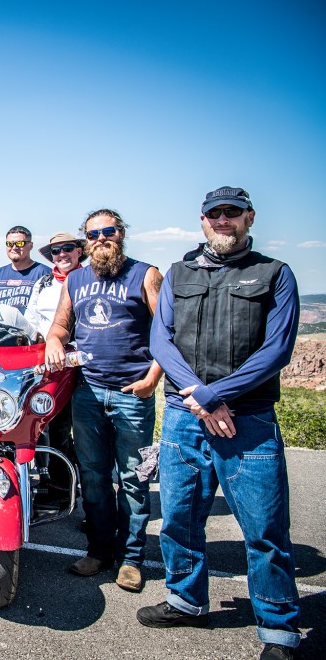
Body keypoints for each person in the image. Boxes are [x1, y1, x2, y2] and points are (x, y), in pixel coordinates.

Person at [137, 187, 302, 660]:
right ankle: (185, 601)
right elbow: (161, 343)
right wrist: (200, 396)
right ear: (203, 220)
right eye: (215, 214)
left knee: (265, 530)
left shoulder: (273, 274)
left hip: (246, 421)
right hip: (186, 418)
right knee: (180, 519)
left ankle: (278, 631)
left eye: (232, 213)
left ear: (249, 218)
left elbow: (277, 350)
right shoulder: (179, 272)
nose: (223, 220)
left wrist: (217, 395)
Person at [44, 209, 163, 593]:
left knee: (133, 479)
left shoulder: (145, 274)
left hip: (133, 394)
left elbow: (168, 331)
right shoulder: (76, 279)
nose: (100, 239)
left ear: (121, 233)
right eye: (93, 234)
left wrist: (152, 378)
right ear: (85, 240)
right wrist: (52, 340)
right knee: (94, 478)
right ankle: (98, 551)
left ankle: (131, 559)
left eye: (108, 231)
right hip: (89, 392)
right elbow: (62, 324)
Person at [24, 232, 87, 508]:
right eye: (56, 251)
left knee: (86, 433)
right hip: (51, 366)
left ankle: (88, 496)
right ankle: (61, 487)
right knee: (53, 427)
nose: (61, 255)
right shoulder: (44, 283)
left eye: (67, 249)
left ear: (79, 251)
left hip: (85, 365)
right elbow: (32, 318)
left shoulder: (91, 280)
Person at [0, 225, 50, 314]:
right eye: (10, 244)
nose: (14, 247)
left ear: (31, 246)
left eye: (20, 243)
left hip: (29, 327)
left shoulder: (44, 273)